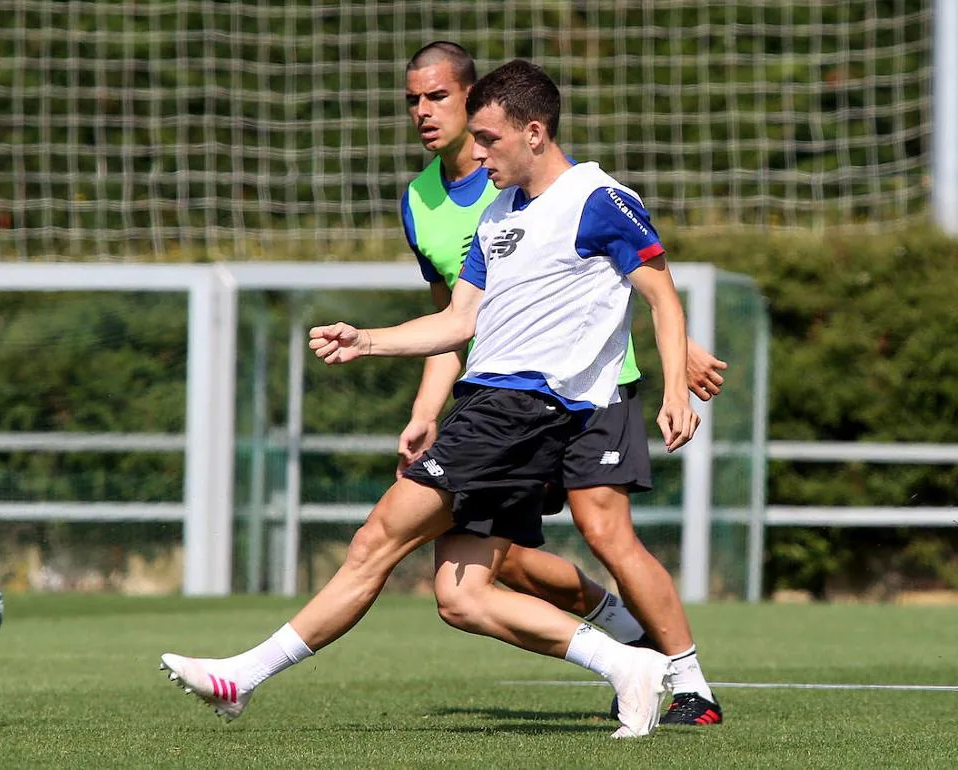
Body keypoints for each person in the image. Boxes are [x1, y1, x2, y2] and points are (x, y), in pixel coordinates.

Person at [162, 59, 697, 739]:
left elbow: (661, 295)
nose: (478, 153)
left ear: (535, 133)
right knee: (461, 596)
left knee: (376, 538)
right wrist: (368, 340)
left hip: (522, 411)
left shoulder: (599, 200)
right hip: (485, 407)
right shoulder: (499, 214)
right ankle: (628, 666)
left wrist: (674, 388)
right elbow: (457, 322)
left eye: (490, 139)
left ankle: (242, 678)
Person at [398, 41, 725, 726]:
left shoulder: (563, 185)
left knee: (603, 527)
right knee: (503, 560)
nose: (423, 113)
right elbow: (453, 318)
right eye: (412, 100)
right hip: (503, 395)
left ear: (478, 103)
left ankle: (690, 680)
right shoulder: (425, 202)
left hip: (593, 387)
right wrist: (426, 406)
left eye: (438, 98)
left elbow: (625, 276)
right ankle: (630, 638)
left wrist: (676, 356)